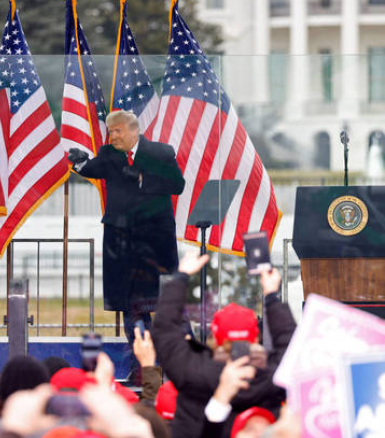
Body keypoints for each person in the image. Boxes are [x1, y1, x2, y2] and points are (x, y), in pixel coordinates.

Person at [68, 109, 185, 383]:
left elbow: (177, 184)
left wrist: (141, 178)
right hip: (120, 243)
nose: (113, 136)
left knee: (167, 303)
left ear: (134, 130)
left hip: (155, 242)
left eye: (117, 131)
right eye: (110, 131)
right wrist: (80, 163)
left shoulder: (160, 153)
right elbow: (93, 168)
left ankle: (176, 364)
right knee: (131, 305)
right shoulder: (109, 153)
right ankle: (141, 369)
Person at [153, 252, 296, 438]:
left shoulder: (193, 372)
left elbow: (165, 331)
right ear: (255, 337)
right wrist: (271, 297)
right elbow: (290, 345)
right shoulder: (273, 376)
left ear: (215, 336)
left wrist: (181, 277)